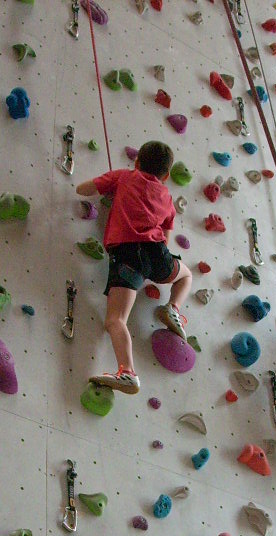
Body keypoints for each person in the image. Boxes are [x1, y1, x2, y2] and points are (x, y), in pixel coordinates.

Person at [75, 141, 193, 395]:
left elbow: (82, 189)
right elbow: (166, 239)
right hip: (157, 255)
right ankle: (173, 308)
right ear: (166, 176)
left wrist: (110, 190)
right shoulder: (167, 198)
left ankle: (127, 371)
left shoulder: (124, 177)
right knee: (186, 275)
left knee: (116, 320)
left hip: (127, 256)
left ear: (137, 162)